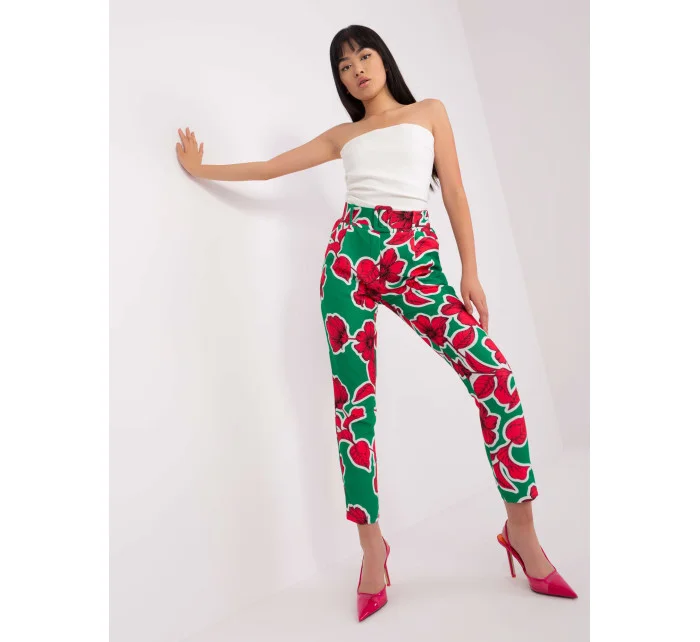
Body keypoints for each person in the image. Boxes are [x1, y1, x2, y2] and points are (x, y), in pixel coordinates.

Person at [176, 24, 578, 623]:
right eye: (344, 66)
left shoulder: (429, 112)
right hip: (349, 261)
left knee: (494, 375)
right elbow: (268, 169)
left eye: (363, 55)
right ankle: (371, 549)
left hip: (416, 261)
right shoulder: (344, 135)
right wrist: (202, 168)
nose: (357, 69)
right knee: (353, 405)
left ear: (383, 59)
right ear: (340, 81)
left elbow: (455, 192)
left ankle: (521, 531)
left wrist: (469, 270)